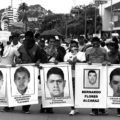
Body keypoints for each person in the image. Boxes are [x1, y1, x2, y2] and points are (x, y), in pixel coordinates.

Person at [85, 37, 108, 116]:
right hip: (92, 75)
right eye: (93, 42)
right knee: (93, 92)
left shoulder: (104, 50)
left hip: (102, 74)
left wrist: (105, 62)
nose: (95, 44)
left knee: (102, 91)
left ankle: (102, 109)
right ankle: (94, 110)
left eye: (97, 42)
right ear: (91, 43)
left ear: (99, 42)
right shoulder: (88, 50)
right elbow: (85, 61)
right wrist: (88, 62)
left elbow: (107, 60)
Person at [64, 40, 86, 115]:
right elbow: (63, 64)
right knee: (72, 92)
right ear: (70, 47)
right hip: (71, 76)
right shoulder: (67, 54)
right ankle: (72, 108)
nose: (73, 47)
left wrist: (78, 61)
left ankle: (75, 107)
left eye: (75, 46)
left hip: (79, 76)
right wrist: (69, 62)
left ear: (77, 46)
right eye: (72, 46)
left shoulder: (82, 54)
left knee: (78, 92)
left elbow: (84, 63)